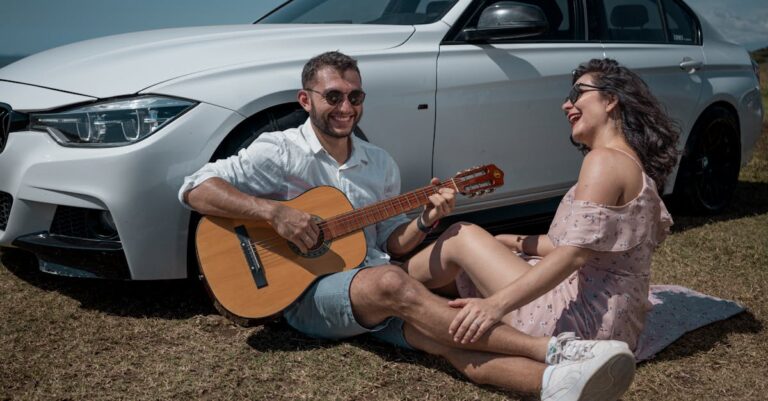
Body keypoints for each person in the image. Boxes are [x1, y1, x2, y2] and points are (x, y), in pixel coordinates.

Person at [179, 51, 636, 400]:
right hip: (301, 295)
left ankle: (557, 386)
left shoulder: (378, 163)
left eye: (355, 97)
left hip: (373, 282)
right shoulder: (278, 151)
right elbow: (196, 188)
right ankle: (554, 351)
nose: (345, 107)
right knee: (392, 283)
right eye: (333, 96)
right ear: (306, 100)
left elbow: (391, 244)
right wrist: (274, 213)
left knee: (442, 339)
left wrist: (424, 219)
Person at [405, 58, 677, 354]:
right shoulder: (632, 166)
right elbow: (567, 245)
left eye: (577, 94)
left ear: (610, 100)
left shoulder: (604, 161)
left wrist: (494, 306)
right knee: (473, 261)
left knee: (462, 235)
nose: (565, 106)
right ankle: (399, 279)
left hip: (578, 321)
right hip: (615, 325)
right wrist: (508, 240)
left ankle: (384, 280)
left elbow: (572, 255)